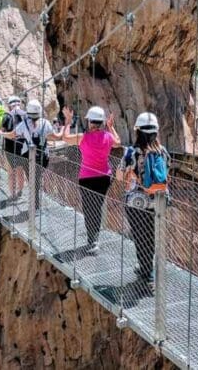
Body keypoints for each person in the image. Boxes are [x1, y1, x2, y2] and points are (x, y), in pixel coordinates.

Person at [62, 104, 121, 254]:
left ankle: (92, 240)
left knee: (89, 208)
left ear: (89, 122)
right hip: (104, 177)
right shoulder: (108, 136)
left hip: (87, 178)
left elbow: (65, 138)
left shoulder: (83, 137)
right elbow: (118, 142)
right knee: (97, 206)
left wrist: (68, 121)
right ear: (102, 122)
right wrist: (111, 127)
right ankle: (95, 238)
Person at [118, 112, 169, 285]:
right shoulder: (163, 152)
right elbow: (166, 175)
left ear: (138, 131)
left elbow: (119, 176)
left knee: (140, 236)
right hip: (156, 201)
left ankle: (147, 272)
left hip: (135, 202)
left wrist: (130, 174)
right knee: (150, 235)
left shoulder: (131, 152)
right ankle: (148, 269)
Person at [0, 99, 62, 206]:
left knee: (32, 179)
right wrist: (65, 128)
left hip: (29, 157)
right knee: (37, 178)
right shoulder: (45, 123)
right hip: (43, 157)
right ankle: (36, 202)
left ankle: (35, 203)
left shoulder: (24, 124)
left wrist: (0, 133)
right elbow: (56, 137)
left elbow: (12, 135)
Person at [1, 95, 26, 199]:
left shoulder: (7, 116)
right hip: (23, 147)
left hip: (9, 148)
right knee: (20, 170)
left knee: (11, 172)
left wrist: (0, 133)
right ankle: (20, 191)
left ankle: (12, 194)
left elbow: (2, 131)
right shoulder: (26, 115)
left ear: (10, 105)